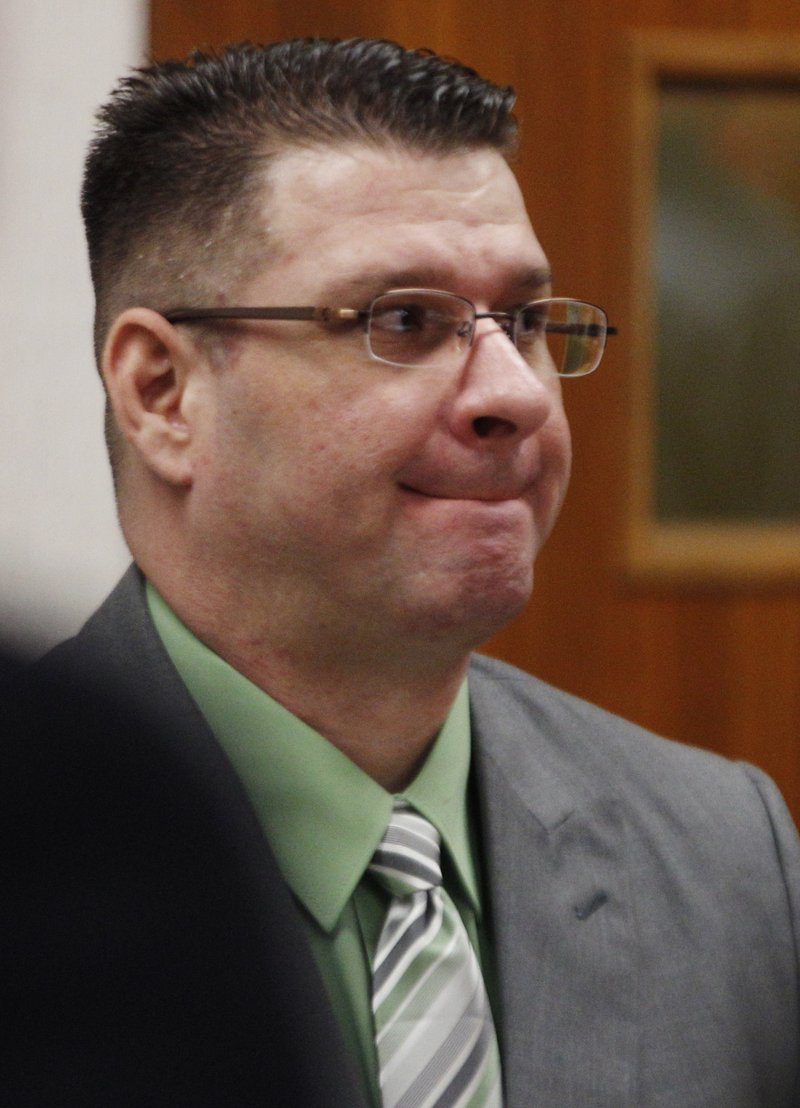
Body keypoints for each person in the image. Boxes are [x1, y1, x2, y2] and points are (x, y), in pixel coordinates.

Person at [28, 38, 800, 1106]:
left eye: (524, 322)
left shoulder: (722, 853)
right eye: (403, 320)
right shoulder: (42, 845)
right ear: (162, 392)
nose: (516, 394)